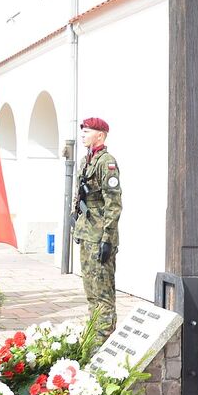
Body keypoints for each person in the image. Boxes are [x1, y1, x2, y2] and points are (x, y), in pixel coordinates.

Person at [73, 117, 122, 342]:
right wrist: (77, 223)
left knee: (103, 292)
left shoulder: (106, 162)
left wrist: (108, 239)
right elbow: (80, 196)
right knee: (91, 289)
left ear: (100, 135)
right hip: (87, 232)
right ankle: (93, 334)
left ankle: (103, 338)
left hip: (101, 234)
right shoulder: (86, 161)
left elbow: (113, 203)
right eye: (82, 130)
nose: (83, 134)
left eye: (88, 131)